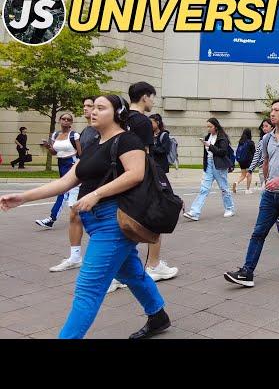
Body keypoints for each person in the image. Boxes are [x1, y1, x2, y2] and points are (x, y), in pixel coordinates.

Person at [0, 95, 170, 339]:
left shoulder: (127, 140)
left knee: (87, 289)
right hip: (95, 222)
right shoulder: (93, 145)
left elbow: (135, 174)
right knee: (130, 272)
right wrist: (24, 197)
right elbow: (65, 181)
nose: (92, 112)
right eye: (92, 108)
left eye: (101, 108)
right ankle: (158, 316)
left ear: (117, 113)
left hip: (115, 222)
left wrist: (97, 194)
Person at [224, 99, 279, 287]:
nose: (272, 113)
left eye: (277, 110)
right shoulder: (266, 138)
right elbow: (266, 161)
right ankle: (247, 272)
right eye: (272, 110)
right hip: (270, 195)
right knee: (258, 232)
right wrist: (267, 180)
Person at [126, 82, 178, 284]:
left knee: (126, 225)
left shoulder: (121, 119)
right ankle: (154, 265)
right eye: (152, 97)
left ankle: (122, 271)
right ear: (145, 97)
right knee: (157, 217)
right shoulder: (142, 122)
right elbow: (145, 155)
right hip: (141, 176)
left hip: (123, 176)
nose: (153, 102)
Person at [49, 97, 99, 273]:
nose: (86, 109)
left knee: (104, 225)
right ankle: (75, 257)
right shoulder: (85, 131)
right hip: (81, 178)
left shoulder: (101, 131)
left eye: (90, 106)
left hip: (97, 184)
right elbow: (82, 158)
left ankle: (120, 272)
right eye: (84, 105)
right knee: (74, 216)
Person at [35, 113, 82, 229]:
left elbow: (81, 154)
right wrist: (47, 146)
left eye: (68, 119)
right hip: (61, 165)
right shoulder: (55, 134)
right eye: (63, 119)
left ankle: (51, 219)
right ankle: (88, 215)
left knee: (63, 192)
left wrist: (77, 167)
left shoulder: (74, 135)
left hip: (72, 164)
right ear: (59, 120)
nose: (66, 121)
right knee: (73, 196)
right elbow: (54, 153)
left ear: (71, 122)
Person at [183, 118, 236, 221]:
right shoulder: (208, 136)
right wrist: (205, 165)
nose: (208, 129)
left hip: (219, 166)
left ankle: (230, 208)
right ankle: (194, 212)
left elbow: (223, 152)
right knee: (204, 188)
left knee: (224, 188)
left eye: (210, 126)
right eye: (207, 126)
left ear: (215, 126)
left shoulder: (222, 137)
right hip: (209, 164)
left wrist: (210, 146)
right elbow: (206, 154)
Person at [232, 128, 256, 194]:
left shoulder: (241, 142)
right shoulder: (251, 142)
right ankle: (247, 189)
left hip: (241, 160)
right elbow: (254, 152)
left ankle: (236, 183)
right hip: (248, 161)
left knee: (243, 174)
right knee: (249, 174)